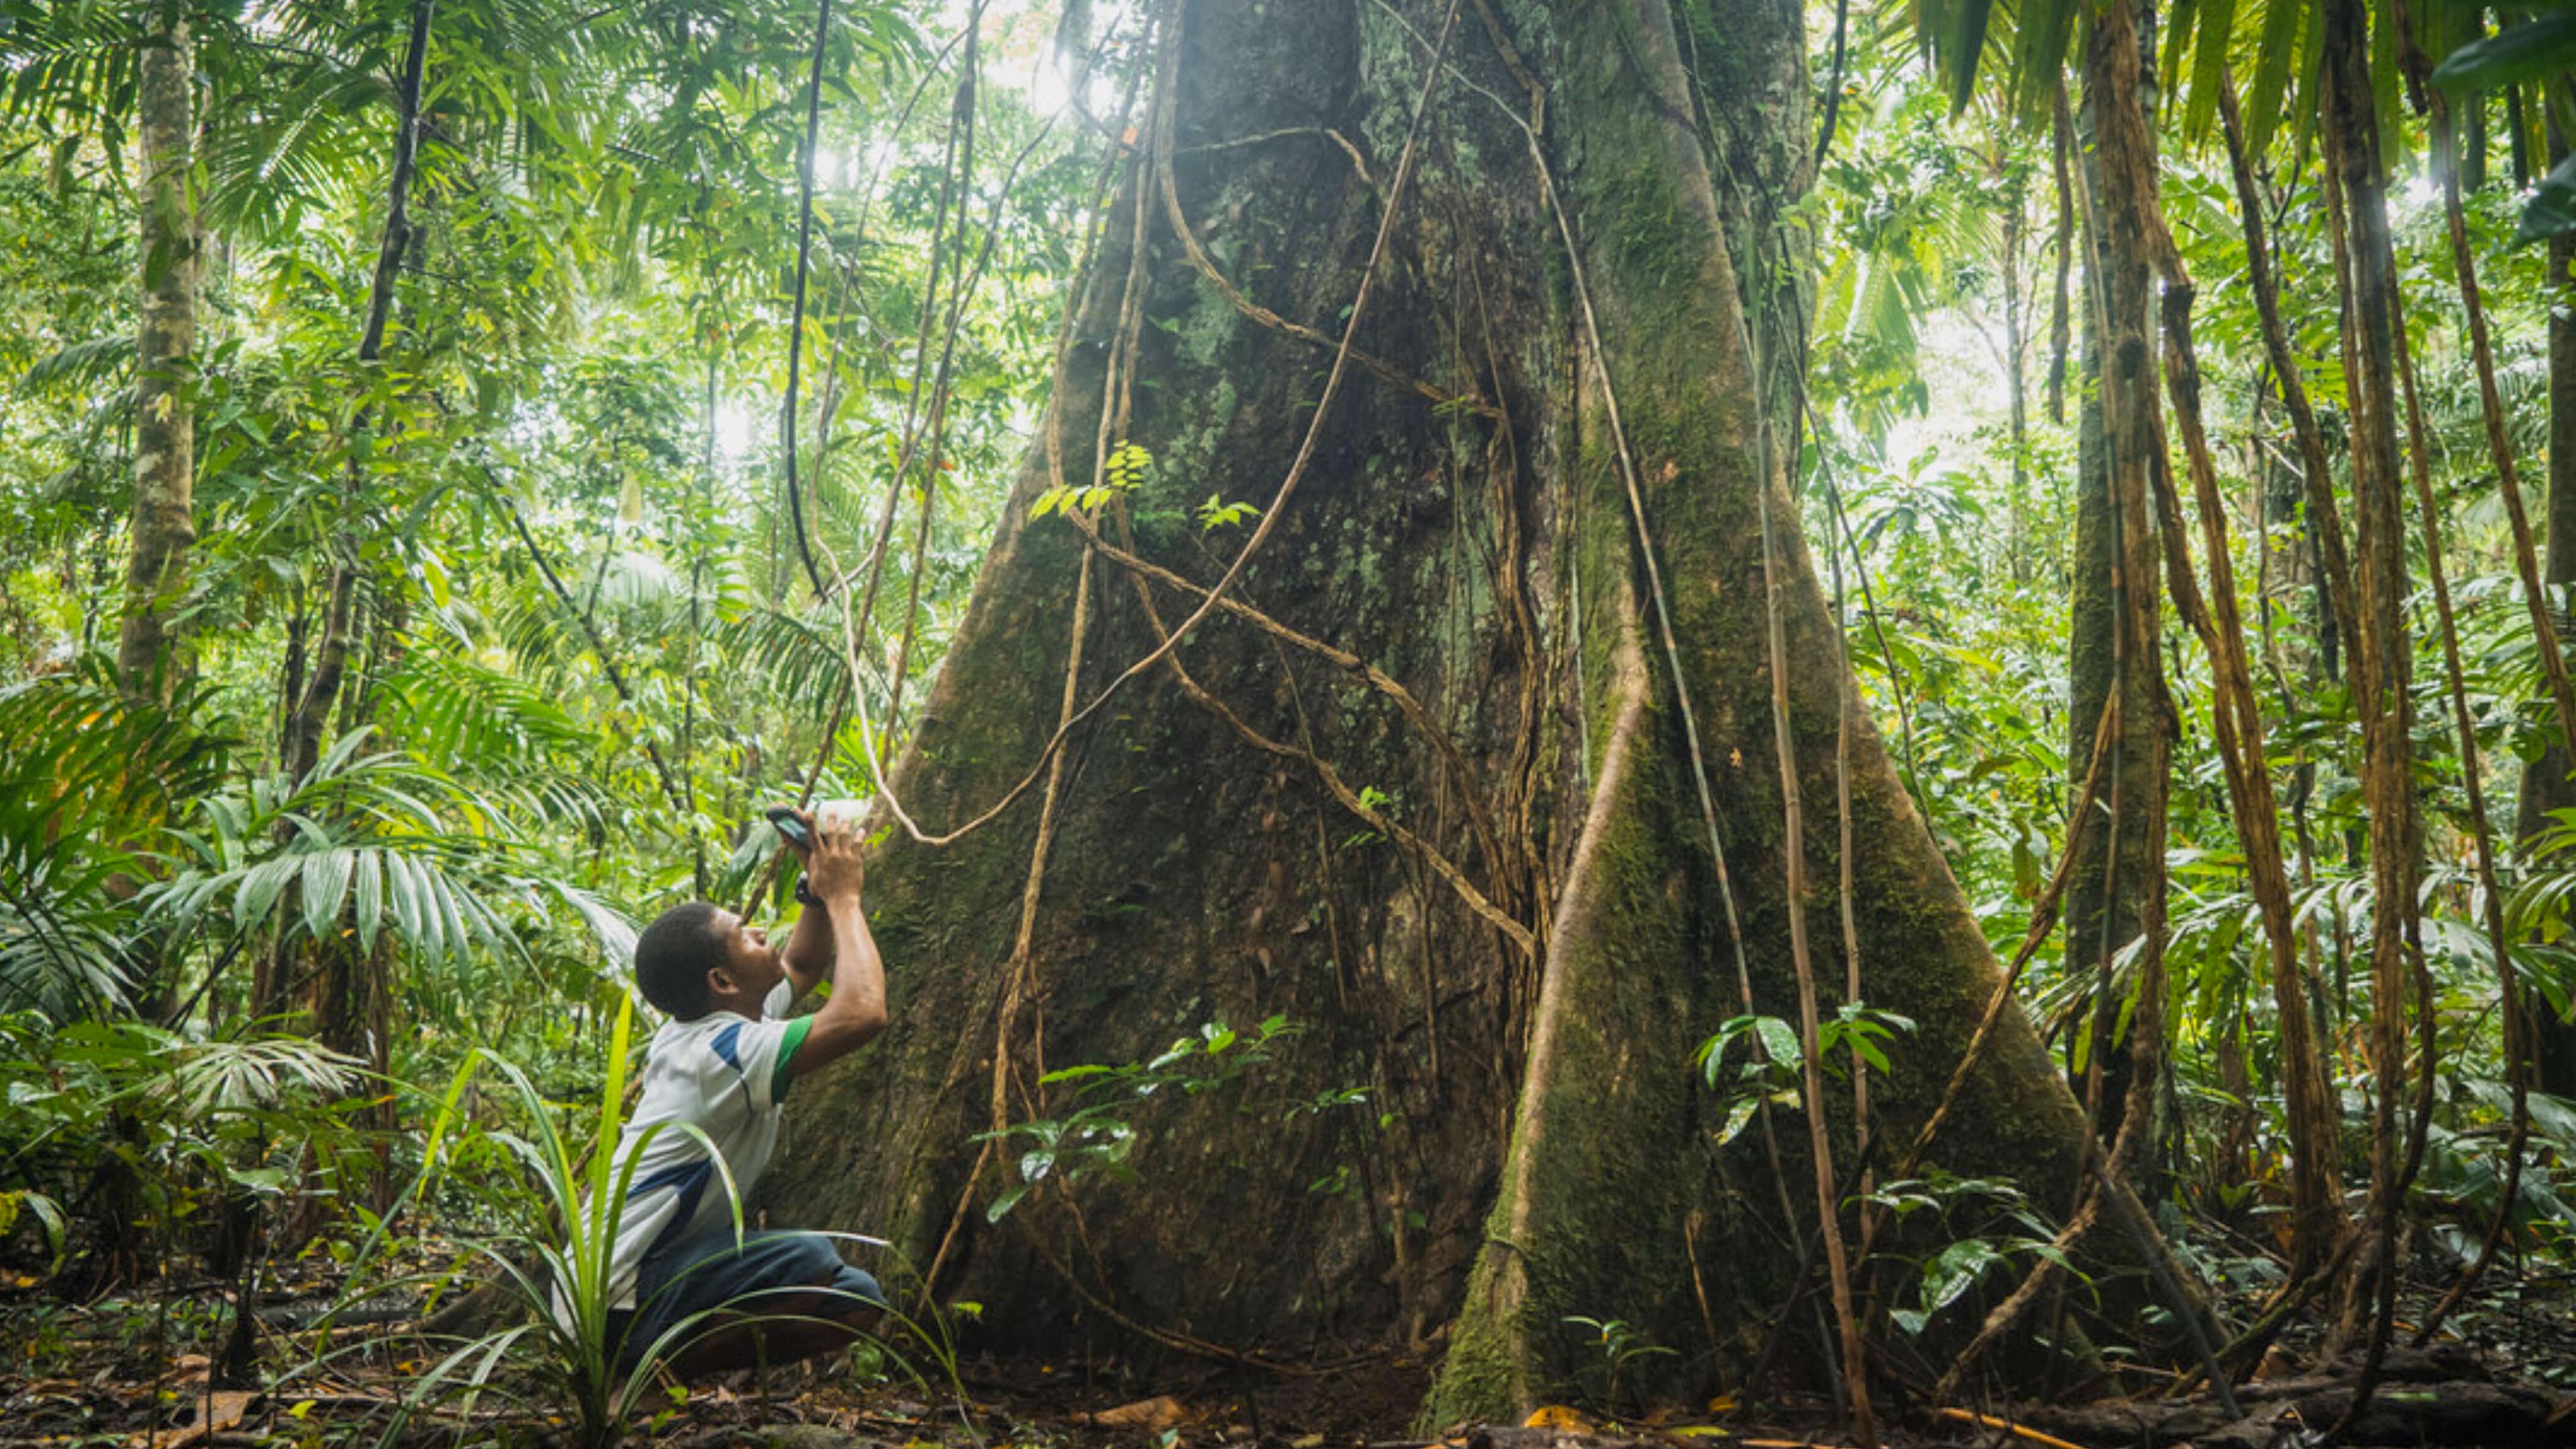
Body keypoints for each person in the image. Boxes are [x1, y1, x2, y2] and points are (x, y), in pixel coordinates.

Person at [584, 808, 889, 1381]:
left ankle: (655, 1369)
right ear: (721, 981)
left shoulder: (719, 1022)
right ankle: (637, 1371)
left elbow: (801, 961)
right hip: (618, 1294)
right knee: (810, 1260)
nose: (758, 932)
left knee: (855, 1296)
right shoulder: (722, 1052)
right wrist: (847, 898)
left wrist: (815, 887)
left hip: (625, 1283)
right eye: (742, 935)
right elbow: (863, 1013)